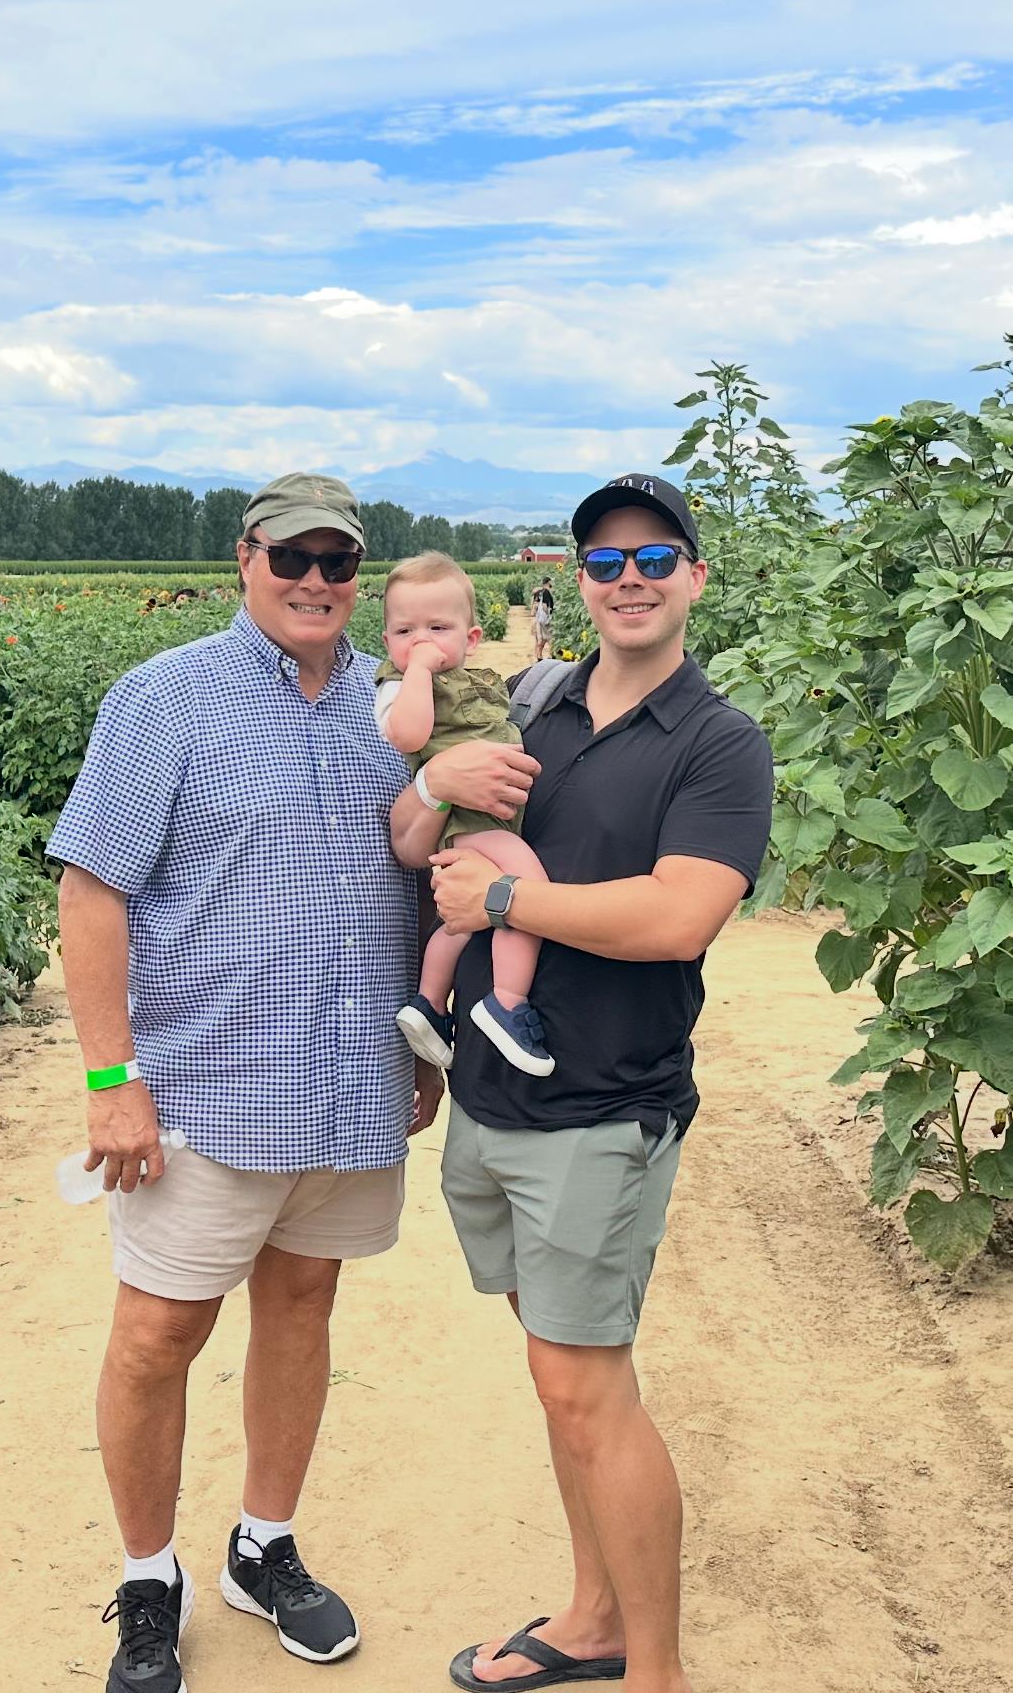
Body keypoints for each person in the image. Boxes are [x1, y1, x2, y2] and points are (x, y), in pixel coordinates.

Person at [50, 473, 457, 1693]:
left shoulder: (391, 714)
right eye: (295, 556)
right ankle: (147, 1572)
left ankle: (262, 1544)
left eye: (340, 560)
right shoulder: (166, 698)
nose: (317, 579)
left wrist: (416, 1048)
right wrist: (112, 1076)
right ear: (247, 558)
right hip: (208, 1095)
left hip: (346, 1086)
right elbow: (91, 889)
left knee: (302, 1306)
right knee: (159, 1332)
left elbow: (413, 878)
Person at [390, 473, 774, 1693]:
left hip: (604, 1104)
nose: (631, 581)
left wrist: (506, 899)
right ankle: (595, 1613)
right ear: (577, 584)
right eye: (606, 563)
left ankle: (652, 1667)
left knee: (583, 1380)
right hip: (497, 1094)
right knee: (561, 1375)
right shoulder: (534, 706)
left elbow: (677, 913)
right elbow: (425, 841)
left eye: (656, 558)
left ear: (695, 577)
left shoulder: (720, 742)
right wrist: (430, 794)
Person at [375, 552, 554, 1079]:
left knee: (461, 922)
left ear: (471, 639)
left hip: (488, 817)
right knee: (525, 890)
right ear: (387, 643)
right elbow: (407, 735)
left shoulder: (478, 677)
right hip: (465, 823)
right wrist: (421, 671)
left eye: (438, 628)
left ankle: (430, 1004)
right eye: (405, 630)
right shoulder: (397, 685)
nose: (421, 640)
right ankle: (508, 1001)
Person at [530, 576, 555, 661]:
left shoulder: (539, 592)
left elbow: (534, 605)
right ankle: (551, 655)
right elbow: (544, 605)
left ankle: (539, 656)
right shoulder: (546, 592)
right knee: (550, 637)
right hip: (545, 619)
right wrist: (548, 615)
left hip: (539, 618)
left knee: (540, 638)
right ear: (548, 582)